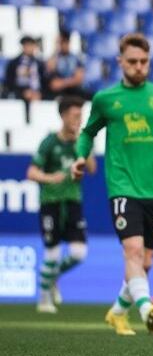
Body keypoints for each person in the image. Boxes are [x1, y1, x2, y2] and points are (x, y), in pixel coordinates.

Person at [72, 33, 153, 336]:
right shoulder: (106, 99)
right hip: (122, 186)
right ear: (120, 62)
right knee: (134, 252)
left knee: (146, 261)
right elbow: (87, 133)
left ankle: (116, 313)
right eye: (132, 61)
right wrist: (79, 157)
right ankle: (147, 309)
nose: (139, 66)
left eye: (144, 61)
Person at [27, 95, 96, 313]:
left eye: (81, 116)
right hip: (51, 201)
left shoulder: (82, 141)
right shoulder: (50, 142)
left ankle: (52, 276)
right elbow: (31, 172)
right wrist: (50, 178)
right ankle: (44, 299)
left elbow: (92, 169)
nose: (78, 120)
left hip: (73, 200)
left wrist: (84, 145)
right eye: (75, 115)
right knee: (53, 253)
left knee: (78, 253)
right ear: (64, 116)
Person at [45, 30, 88, 100]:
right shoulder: (53, 59)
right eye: (60, 43)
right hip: (59, 91)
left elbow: (79, 79)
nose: (62, 45)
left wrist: (63, 83)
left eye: (65, 42)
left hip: (73, 89)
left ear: (68, 43)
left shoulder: (76, 58)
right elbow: (53, 83)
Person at [3, 35, 46, 102]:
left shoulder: (39, 63)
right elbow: (9, 82)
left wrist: (39, 92)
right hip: (20, 93)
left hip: (38, 93)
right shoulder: (14, 63)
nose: (28, 48)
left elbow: (44, 80)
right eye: (26, 45)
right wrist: (23, 92)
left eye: (30, 45)